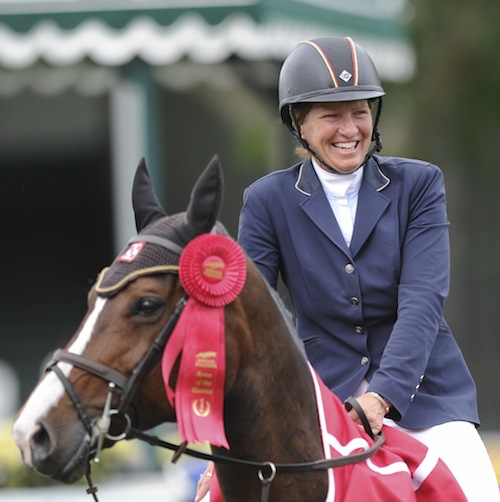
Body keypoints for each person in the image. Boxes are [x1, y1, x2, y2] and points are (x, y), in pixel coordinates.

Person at [234, 36, 499, 500]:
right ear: (299, 123)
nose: (349, 128)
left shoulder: (419, 185)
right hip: (321, 399)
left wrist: (382, 395)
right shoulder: (266, 202)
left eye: (359, 111)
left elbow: (423, 301)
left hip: (426, 396)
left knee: (478, 491)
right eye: (331, 114)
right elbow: (249, 320)